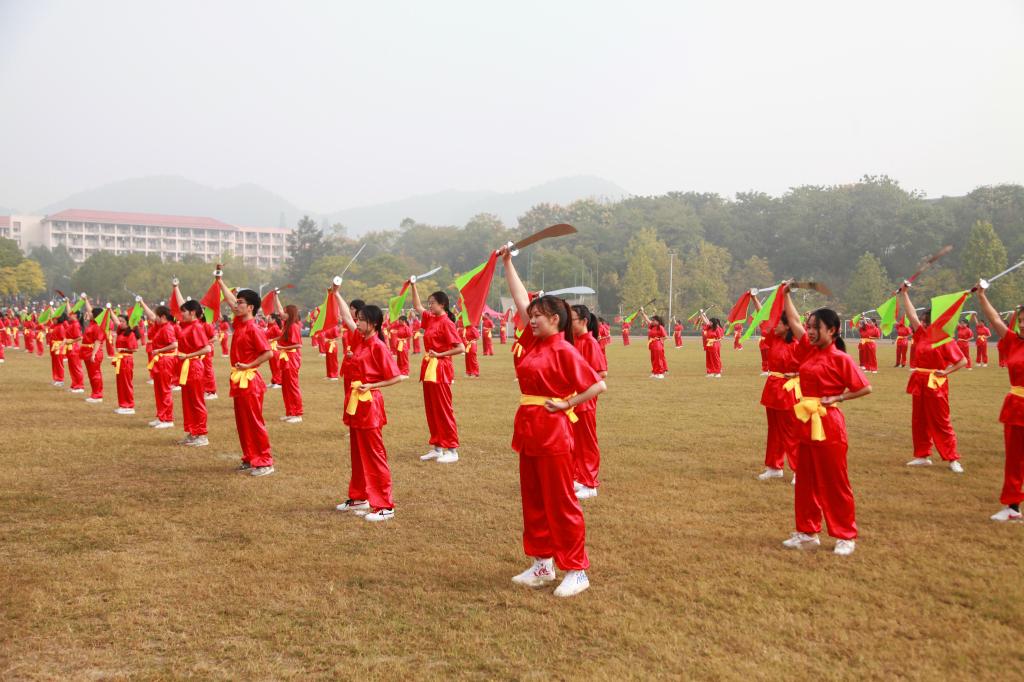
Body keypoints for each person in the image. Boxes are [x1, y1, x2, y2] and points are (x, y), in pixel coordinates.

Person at [499, 245, 607, 597]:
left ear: (556, 320)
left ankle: (576, 569)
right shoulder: (534, 344)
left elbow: (597, 384)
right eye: (531, 316)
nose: (531, 319)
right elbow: (520, 299)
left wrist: (567, 403)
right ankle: (542, 564)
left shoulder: (563, 349)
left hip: (553, 434)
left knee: (560, 502)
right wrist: (508, 263)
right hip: (529, 431)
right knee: (534, 501)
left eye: (539, 316)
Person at [780, 302, 871, 556]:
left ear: (832, 330)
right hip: (806, 421)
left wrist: (837, 398)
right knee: (805, 481)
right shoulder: (810, 351)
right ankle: (807, 533)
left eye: (815, 327)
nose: (809, 331)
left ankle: (845, 535)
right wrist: (786, 295)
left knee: (834, 482)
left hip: (828, 423)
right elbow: (794, 322)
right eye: (808, 326)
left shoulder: (840, 358)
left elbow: (864, 387)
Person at [333, 289, 406, 521]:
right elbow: (346, 317)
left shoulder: (378, 346)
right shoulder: (361, 340)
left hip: (369, 403)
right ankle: (359, 497)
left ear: (373, 323)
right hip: (356, 402)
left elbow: (396, 377)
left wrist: (372, 385)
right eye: (358, 318)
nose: (357, 322)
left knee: (374, 454)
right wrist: (336, 294)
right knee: (357, 453)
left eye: (362, 319)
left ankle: (384, 505)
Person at [899, 284, 968, 472]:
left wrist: (946, 372)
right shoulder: (921, 334)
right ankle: (922, 455)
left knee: (941, 421)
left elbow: (962, 361)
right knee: (919, 420)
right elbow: (911, 315)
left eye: (926, 322)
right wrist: (905, 294)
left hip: (935, 383)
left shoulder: (944, 339)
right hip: (919, 381)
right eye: (922, 321)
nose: (922, 324)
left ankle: (952, 458)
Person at [217, 271, 275, 476]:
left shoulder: (253, 328)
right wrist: (220, 281)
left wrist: (249, 365)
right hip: (239, 379)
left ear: (250, 307)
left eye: (240, 302)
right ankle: (250, 457)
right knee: (243, 423)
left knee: (254, 421)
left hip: (250, 380)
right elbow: (230, 300)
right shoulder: (240, 324)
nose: (236, 305)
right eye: (237, 302)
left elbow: (268, 353)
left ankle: (265, 461)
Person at [975, 287, 1024, 521]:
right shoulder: (1014, 341)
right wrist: (981, 296)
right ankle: (1013, 507)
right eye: (1021, 321)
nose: (1022, 324)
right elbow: (995, 319)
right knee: (1014, 460)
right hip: (1016, 407)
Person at [409, 285, 465, 463]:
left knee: (443, 409)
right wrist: (413, 285)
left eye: (432, 302)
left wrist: (440, 354)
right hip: (429, 367)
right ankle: (437, 447)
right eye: (429, 302)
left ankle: (452, 449)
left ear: (442, 304)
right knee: (432, 409)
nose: (429, 305)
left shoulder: (447, 323)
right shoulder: (430, 318)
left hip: (441, 368)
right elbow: (417, 306)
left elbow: (460, 348)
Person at [754, 291, 802, 483]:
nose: (775, 326)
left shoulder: (798, 344)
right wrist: (754, 299)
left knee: (791, 431)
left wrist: (797, 374)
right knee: (774, 430)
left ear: (788, 326)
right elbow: (763, 319)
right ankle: (774, 467)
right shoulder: (774, 338)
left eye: (779, 324)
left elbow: (812, 365)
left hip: (788, 390)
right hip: (773, 388)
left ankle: (799, 470)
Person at [570, 304, 608, 501]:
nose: (568, 323)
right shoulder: (575, 341)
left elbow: (602, 372)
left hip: (585, 400)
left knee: (586, 442)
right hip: (572, 399)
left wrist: (582, 383)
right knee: (574, 442)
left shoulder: (590, 343)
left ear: (584, 321)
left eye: (572, 320)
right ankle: (578, 478)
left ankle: (590, 483)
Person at [175, 300, 212, 447]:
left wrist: (187, 356)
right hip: (186, 367)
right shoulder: (188, 326)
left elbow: (207, 349)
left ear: (192, 312)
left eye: (184, 311)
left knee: (196, 401)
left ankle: (202, 435)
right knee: (188, 402)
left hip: (194, 367)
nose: (182, 314)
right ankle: (193, 432)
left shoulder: (196, 327)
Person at [139, 299, 178, 429]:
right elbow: (151, 316)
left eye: (157, 316)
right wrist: (142, 303)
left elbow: (174, 344)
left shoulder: (168, 328)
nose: (154, 318)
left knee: (164, 390)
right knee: (159, 390)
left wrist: (159, 351)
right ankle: (161, 416)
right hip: (160, 360)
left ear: (163, 317)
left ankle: (168, 419)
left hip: (165, 361)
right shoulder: (161, 326)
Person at [276, 302, 304, 423]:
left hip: (291, 358)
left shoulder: (293, 326)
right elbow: (279, 310)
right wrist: (275, 296)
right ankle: (290, 412)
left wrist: (283, 348)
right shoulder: (286, 325)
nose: (282, 313)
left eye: (285, 312)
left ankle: (297, 414)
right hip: (286, 357)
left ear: (290, 314)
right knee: (286, 386)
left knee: (292, 386)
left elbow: (298, 345)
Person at [111, 313, 139, 415]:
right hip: (120, 359)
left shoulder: (130, 334)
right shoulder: (121, 331)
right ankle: (123, 405)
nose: (120, 323)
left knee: (126, 383)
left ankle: (129, 405)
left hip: (126, 360)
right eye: (120, 321)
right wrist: (110, 311)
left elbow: (135, 349)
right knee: (121, 383)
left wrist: (123, 349)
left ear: (127, 323)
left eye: (122, 321)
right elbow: (115, 321)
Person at [81, 304, 106, 403]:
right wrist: (85, 300)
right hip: (88, 352)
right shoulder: (92, 323)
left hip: (94, 352)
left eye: (91, 313)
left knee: (95, 374)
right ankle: (94, 393)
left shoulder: (98, 326)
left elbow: (97, 341)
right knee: (91, 375)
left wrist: (93, 354)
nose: (89, 313)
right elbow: (89, 309)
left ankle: (98, 395)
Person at [63, 304, 85, 393]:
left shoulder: (76, 325)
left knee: (76, 367)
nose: (69, 315)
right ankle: (74, 385)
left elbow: (80, 337)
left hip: (74, 348)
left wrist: (71, 341)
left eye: (71, 314)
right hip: (70, 348)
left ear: (75, 315)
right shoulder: (72, 323)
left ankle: (80, 386)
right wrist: (67, 303)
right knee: (72, 368)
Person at [639, 310, 668, 378]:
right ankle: (655, 372)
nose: (652, 321)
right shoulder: (652, 326)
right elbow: (647, 319)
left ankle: (660, 373)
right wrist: (643, 313)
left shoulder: (660, 327)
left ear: (658, 321)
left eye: (654, 320)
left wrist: (659, 340)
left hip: (658, 345)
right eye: (652, 320)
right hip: (652, 345)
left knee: (658, 359)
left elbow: (665, 336)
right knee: (653, 359)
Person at [265, 313, 284, 388]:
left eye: (269, 318)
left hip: (275, 348)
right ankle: (274, 381)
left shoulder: (275, 327)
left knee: (276, 365)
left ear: (274, 319)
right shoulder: (269, 326)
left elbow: (281, 336)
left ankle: (279, 382)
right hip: (270, 348)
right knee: (272, 366)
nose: (268, 319)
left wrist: (273, 340)